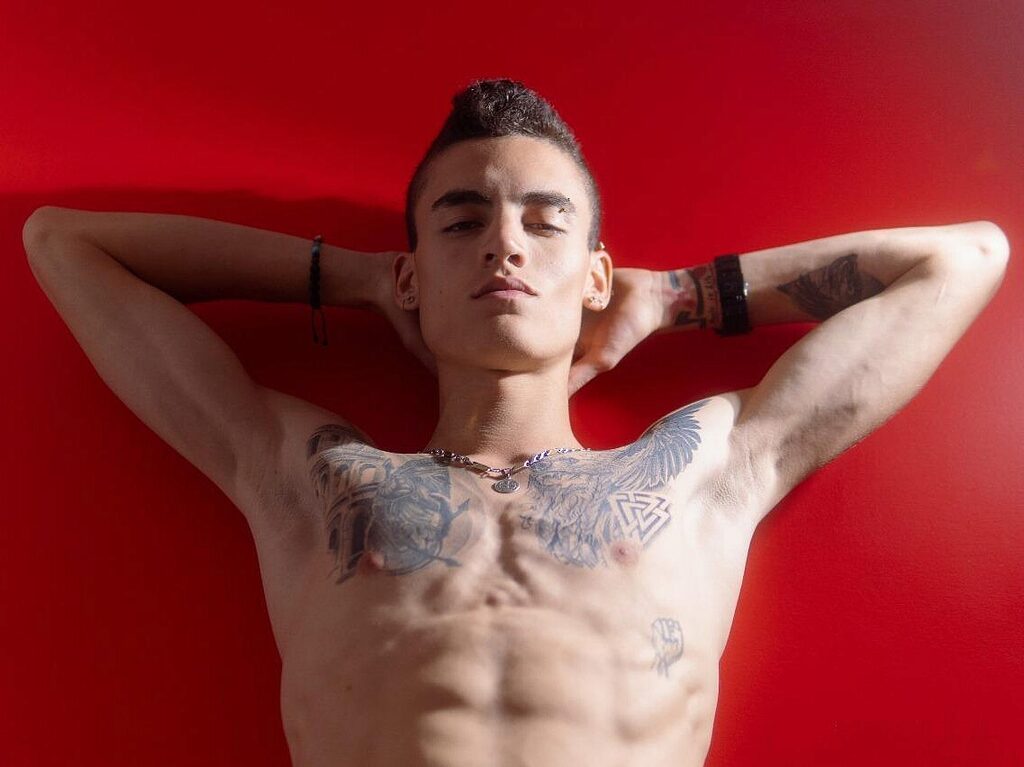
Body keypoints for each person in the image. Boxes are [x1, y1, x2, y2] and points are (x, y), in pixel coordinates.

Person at [23, 78, 1009, 767]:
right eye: (462, 222)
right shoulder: (311, 480)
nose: (504, 244)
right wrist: (362, 278)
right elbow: (63, 245)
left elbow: (963, 259)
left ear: (593, 274)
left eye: (544, 222)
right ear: (414, 272)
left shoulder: (698, 474)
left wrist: (678, 294)